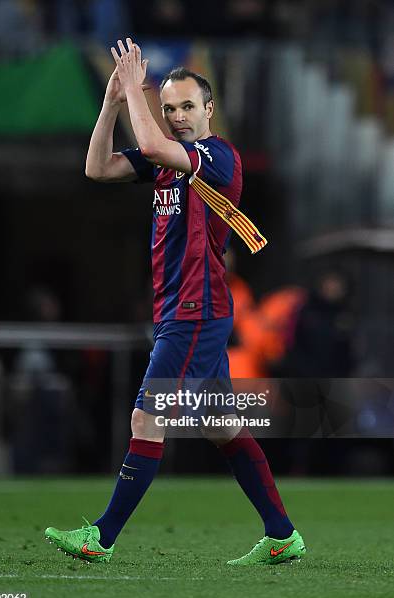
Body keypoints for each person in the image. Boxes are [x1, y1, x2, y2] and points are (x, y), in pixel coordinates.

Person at [45, 38, 306, 566]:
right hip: (181, 311)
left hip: (195, 311)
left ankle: (102, 537)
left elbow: (160, 146)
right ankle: (282, 535)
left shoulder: (216, 156)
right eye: (170, 109)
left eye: (187, 106)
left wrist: (137, 93)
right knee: (222, 425)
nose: (178, 116)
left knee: (148, 419)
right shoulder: (167, 161)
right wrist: (113, 101)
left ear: (209, 109)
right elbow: (97, 169)